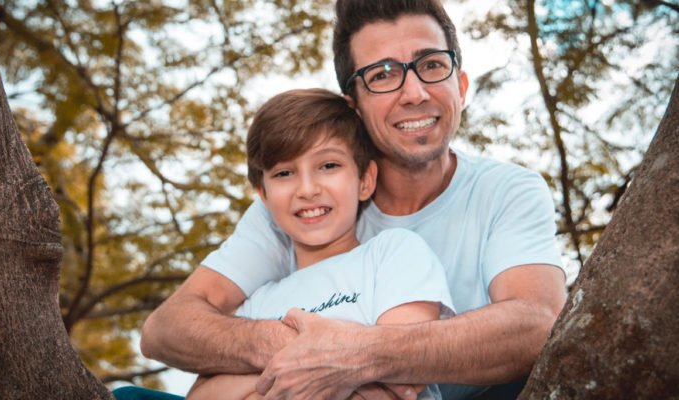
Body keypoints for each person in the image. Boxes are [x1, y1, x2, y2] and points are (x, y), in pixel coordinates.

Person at [140, 1, 567, 399]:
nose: (414, 93)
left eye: (432, 65)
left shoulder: (506, 189)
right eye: (382, 74)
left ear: (461, 84)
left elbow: (536, 324)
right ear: (355, 106)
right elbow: (167, 329)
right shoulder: (299, 210)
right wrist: (298, 352)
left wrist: (355, 355)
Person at [185, 88, 454, 400]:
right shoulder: (255, 304)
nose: (307, 189)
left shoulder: (392, 254)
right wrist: (330, 372)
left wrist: (265, 380)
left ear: (365, 180)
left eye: (328, 166)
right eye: (284, 173)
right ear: (264, 196)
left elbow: (396, 378)